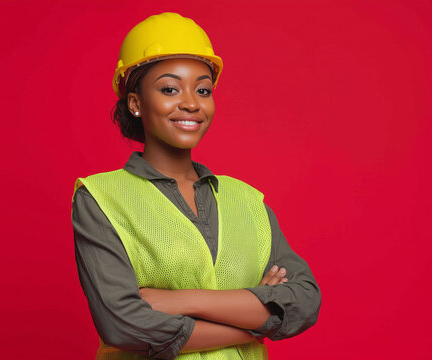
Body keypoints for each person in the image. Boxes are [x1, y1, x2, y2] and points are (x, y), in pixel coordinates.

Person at [71, 12, 321, 360]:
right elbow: (122, 324)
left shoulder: (247, 200)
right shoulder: (101, 198)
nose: (191, 102)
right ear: (135, 103)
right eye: (170, 89)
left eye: (203, 89)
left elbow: (305, 301)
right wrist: (258, 317)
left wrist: (181, 301)